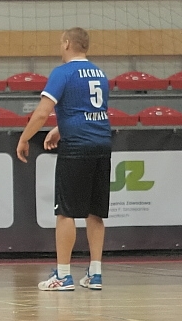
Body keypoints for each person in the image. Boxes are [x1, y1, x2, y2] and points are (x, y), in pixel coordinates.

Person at [17, 27, 113, 292]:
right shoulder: (100, 73)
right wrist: (60, 128)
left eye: (62, 43)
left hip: (77, 147)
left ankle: (63, 275)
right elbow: (90, 110)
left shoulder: (63, 73)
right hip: (102, 144)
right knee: (95, 212)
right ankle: (95, 274)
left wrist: (24, 138)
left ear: (68, 43)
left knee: (66, 212)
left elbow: (41, 113)